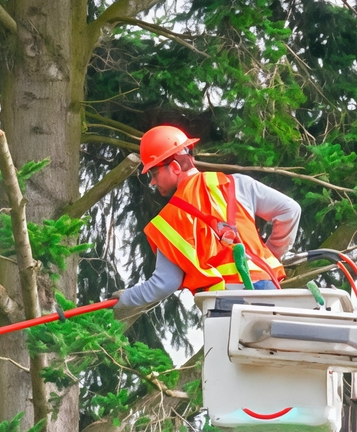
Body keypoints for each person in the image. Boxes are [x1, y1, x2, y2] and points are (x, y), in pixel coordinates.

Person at [113, 125, 301, 320]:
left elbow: (165, 283)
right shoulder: (236, 184)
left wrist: (127, 298)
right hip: (269, 291)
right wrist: (270, 255)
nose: (152, 182)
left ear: (175, 167)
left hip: (226, 304)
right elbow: (290, 210)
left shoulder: (170, 219)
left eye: (154, 173)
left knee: (231, 351)